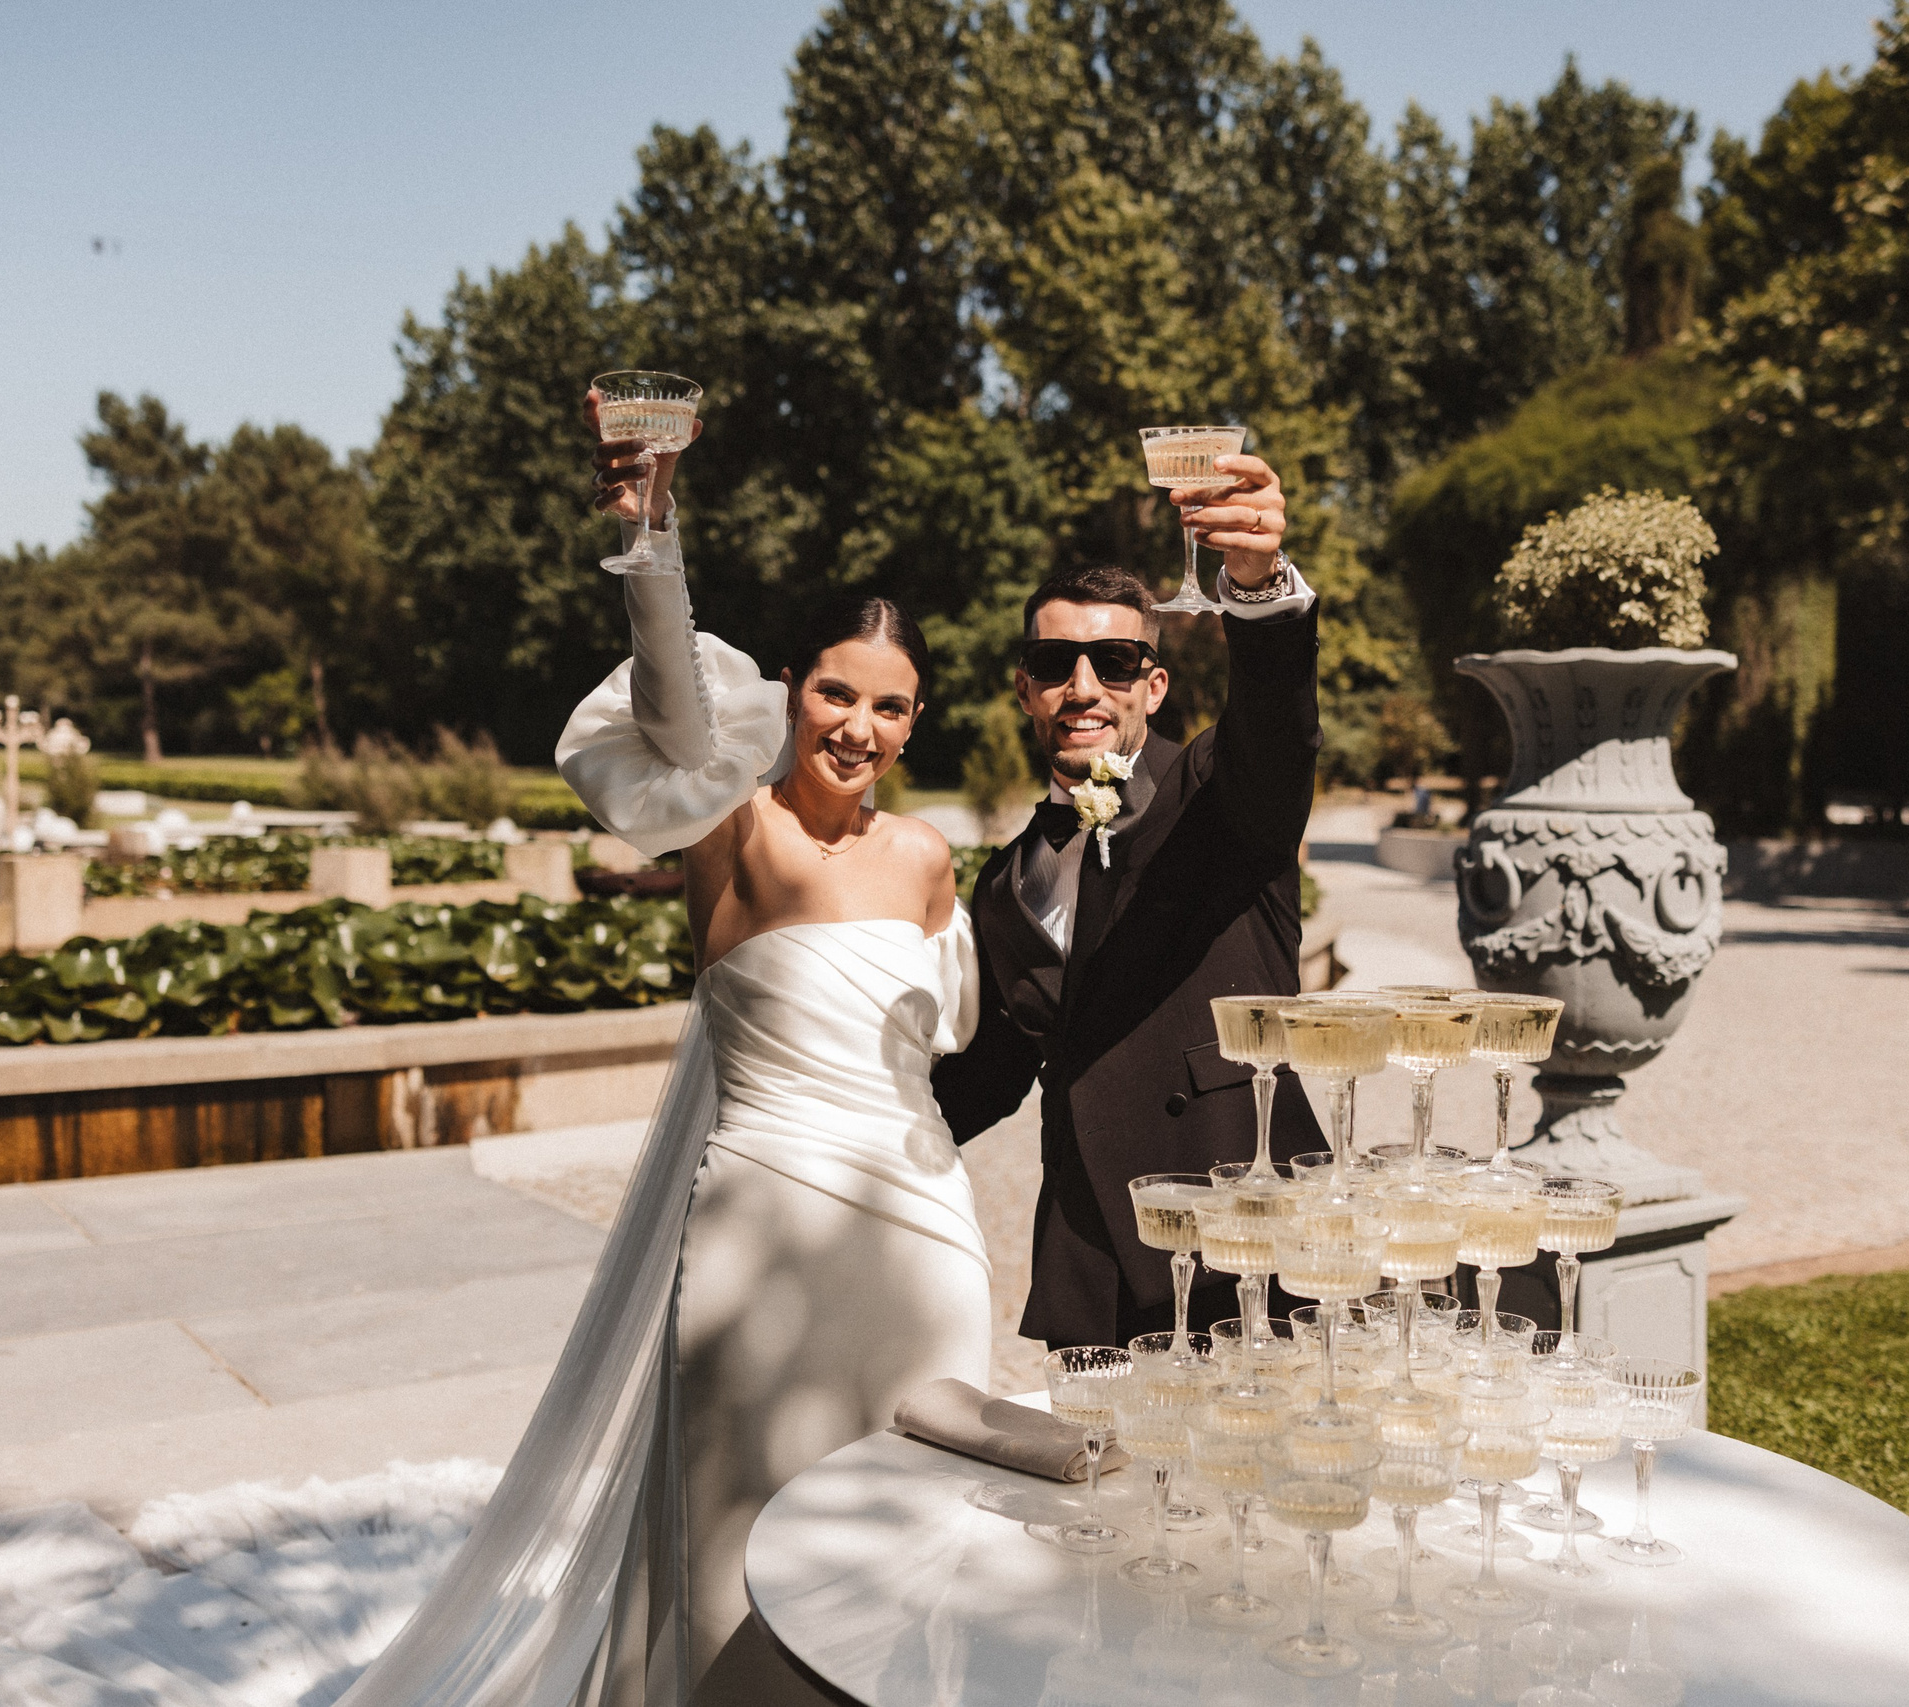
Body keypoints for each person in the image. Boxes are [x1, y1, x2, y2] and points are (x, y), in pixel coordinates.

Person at [337, 398, 984, 1707]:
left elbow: (948, 1039)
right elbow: (674, 696)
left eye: (890, 706)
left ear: (918, 723)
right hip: (763, 1223)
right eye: (835, 690)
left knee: (926, 1531)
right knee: (736, 1538)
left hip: (927, 1240)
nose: (856, 724)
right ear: (792, 691)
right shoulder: (729, 822)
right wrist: (652, 535)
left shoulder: (927, 859)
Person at [929, 460, 1327, 1351]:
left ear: (1154, 685)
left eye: (1113, 661)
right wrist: (844, 1135)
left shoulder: (1221, 803)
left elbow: (1278, 724)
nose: (1082, 686)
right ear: (1025, 688)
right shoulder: (1005, 881)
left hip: (1247, 1250)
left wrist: (1258, 592)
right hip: (1091, 1272)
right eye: (1052, 662)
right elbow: (992, 1071)